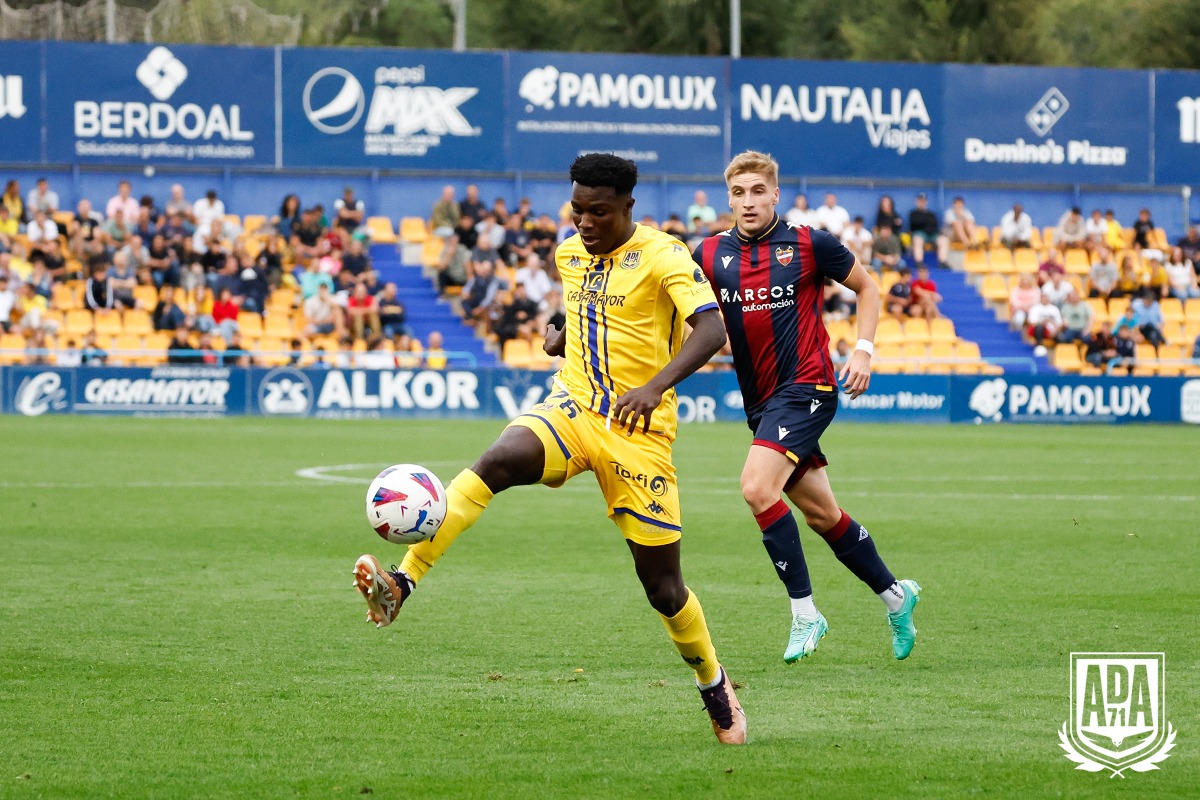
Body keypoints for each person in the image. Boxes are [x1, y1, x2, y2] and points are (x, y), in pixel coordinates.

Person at [352, 153, 746, 745]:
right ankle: (401, 584)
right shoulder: (568, 253)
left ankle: (713, 682)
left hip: (637, 434)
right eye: (578, 210)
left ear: (627, 208)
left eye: (599, 212)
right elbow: (587, 308)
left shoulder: (665, 255)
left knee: (663, 589)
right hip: (572, 407)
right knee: (497, 461)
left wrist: (654, 386)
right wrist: (565, 335)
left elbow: (713, 330)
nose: (585, 223)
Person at [692, 149, 921, 665]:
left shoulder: (808, 243)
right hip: (762, 401)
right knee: (823, 514)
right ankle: (897, 597)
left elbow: (867, 287)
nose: (747, 202)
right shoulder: (707, 255)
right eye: (737, 193)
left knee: (756, 487)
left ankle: (805, 614)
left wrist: (863, 350)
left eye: (757, 191)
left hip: (809, 387)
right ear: (728, 198)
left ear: (775, 194)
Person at [908, 193, 940, 266]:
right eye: (920, 201)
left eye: (923, 201)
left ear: (926, 202)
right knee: (917, 240)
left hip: (932, 234)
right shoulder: (913, 213)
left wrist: (925, 224)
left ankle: (942, 262)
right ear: (916, 202)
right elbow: (915, 224)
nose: (922, 203)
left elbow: (935, 226)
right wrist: (926, 223)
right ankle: (919, 262)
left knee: (943, 240)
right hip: (919, 233)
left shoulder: (932, 214)